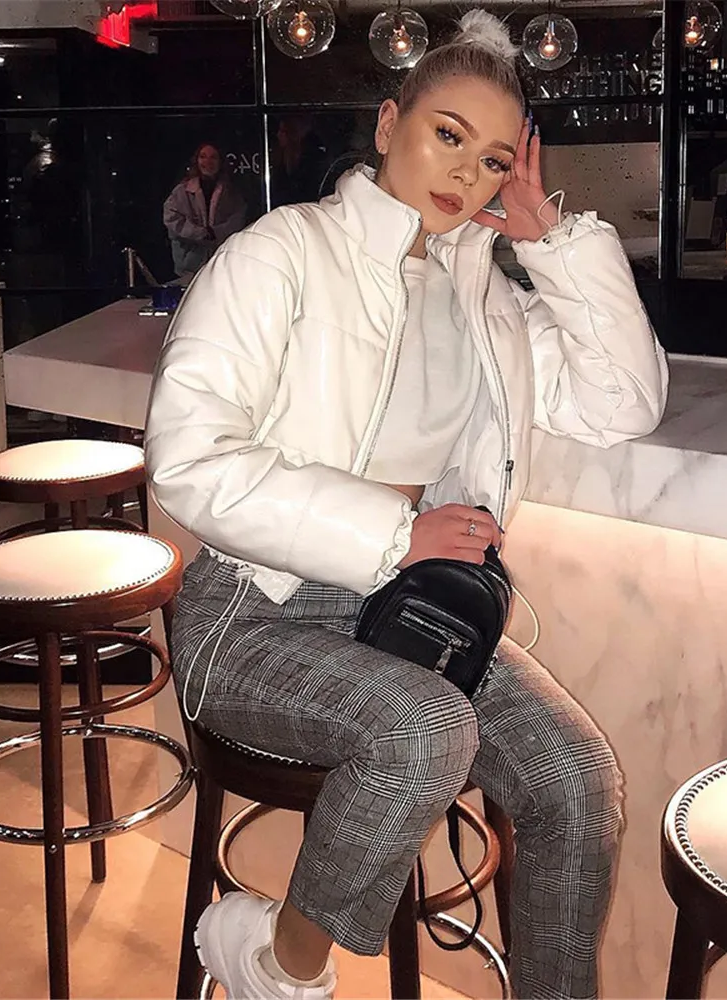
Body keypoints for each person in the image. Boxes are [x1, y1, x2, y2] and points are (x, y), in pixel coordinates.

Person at [145, 11, 668, 1000]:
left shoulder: (487, 300)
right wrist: (395, 533)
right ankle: (278, 963)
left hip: (410, 613)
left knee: (574, 777)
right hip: (251, 613)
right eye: (447, 135)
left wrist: (556, 243)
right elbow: (189, 458)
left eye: (493, 160)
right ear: (390, 125)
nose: (466, 173)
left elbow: (623, 402)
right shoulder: (282, 253)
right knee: (424, 730)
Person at [162, 141, 247, 279]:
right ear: (196, 160)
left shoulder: (231, 193)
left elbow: (237, 220)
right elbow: (171, 218)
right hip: (188, 266)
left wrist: (215, 233)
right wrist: (199, 233)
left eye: (213, 157)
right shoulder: (182, 191)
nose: (208, 161)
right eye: (203, 156)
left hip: (222, 265)